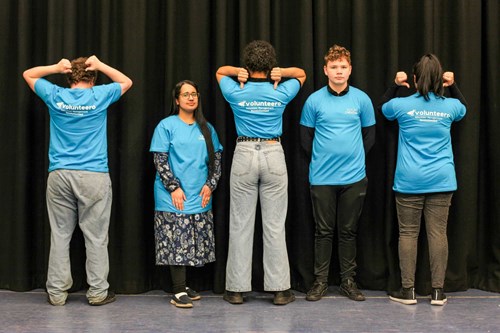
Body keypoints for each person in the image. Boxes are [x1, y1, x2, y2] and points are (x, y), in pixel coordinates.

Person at [22, 56, 133, 306]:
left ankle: (57, 293)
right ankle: (97, 293)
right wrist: (102, 64)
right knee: (95, 237)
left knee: (60, 235)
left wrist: (54, 68)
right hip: (94, 175)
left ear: (69, 77)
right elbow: (126, 82)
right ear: (92, 79)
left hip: (60, 174)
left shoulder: (56, 94)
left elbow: (28, 74)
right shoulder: (99, 95)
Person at [216, 40, 306, 305]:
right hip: (273, 153)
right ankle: (280, 290)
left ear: (247, 65)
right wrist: (283, 73)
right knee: (275, 225)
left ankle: (234, 290)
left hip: (243, 153)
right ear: (270, 66)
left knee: (241, 224)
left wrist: (236, 71)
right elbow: (301, 74)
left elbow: (220, 72)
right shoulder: (280, 91)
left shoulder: (236, 90)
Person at [379, 54, 467, 306]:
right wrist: (453, 86)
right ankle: (438, 292)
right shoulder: (450, 107)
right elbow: (464, 108)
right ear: (441, 79)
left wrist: (396, 85)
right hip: (442, 179)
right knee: (438, 233)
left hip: (409, 179)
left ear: (415, 79)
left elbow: (382, 107)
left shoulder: (402, 105)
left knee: (408, 234)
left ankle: (409, 292)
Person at [300, 44, 375, 302]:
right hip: (321, 178)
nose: (339, 71)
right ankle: (320, 282)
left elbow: (370, 136)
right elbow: (305, 139)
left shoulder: (362, 100)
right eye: (334, 67)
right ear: (325, 70)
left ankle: (347, 281)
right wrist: (324, 160)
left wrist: (352, 159)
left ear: (350, 69)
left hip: (354, 178)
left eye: (343, 66)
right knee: (323, 231)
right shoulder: (314, 100)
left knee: (348, 231)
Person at [150, 80, 223, 308]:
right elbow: (160, 159)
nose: (191, 98)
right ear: (177, 100)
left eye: (194, 94)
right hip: (172, 195)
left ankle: (183, 285)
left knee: (191, 241)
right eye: (185, 94)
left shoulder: (206, 128)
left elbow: (217, 159)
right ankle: (178, 290)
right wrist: (174, 187)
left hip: (199, 193)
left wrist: (211, 184)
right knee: (176, 241)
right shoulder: (166, 125)